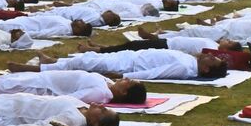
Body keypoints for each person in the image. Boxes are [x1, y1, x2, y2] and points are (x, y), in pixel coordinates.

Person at [0, 70, 146, 106]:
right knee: (6, 82)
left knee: (3, 86)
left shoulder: (101, 93)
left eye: (128, 82)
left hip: (43, 88)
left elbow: (70, 99)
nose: (125, 78)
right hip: (43, 79)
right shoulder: (106, 85)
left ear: (125, 92)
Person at [34, 48, 229, 82]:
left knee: (85, 62)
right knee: (89, 57)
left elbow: (155, 74)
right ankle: (55, 62)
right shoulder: (191, 61)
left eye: (212, 60)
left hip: (129, 66)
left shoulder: (186, 69)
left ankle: (43, 68)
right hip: (131, 57)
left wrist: (123, 77)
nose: (209, 56)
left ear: (206, 69)